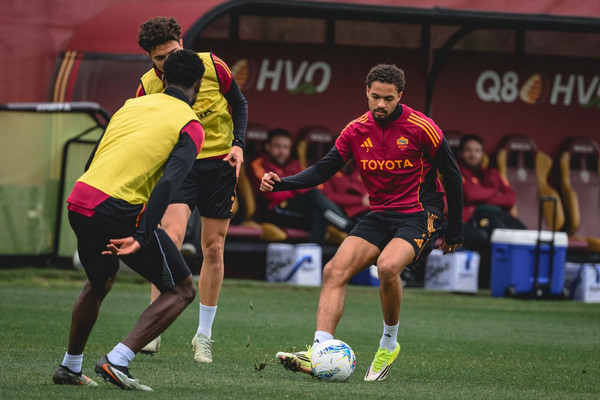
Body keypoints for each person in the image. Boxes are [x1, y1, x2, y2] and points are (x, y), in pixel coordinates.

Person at [260, 64, 463, 381]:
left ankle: (388, 344)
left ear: (400, 96)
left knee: (387, 267)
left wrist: (455, 230)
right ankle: (319, 350)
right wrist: (281, 183)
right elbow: (323, 169)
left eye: (388, 99)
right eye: (375, 96)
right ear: (367, 92)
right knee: (334, 271)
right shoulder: (355, 130)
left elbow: (452, 176)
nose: (381, 104)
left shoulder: (422, 127)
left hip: (419, 212)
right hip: (380, 214)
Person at [52, 49, 205, 391]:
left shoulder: (130, 105)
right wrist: (142, 234)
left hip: (80, 200)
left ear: (163, 78)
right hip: (117, 208)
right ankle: (117, 360)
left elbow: (93, 160)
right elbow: (169, 183)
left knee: (100, 279)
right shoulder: (191, 124)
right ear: (197, 85)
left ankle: (69, 367)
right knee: (182, 289)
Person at [136, 16, 248, 361]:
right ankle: (154, 328)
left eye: (173, 53)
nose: (168, 62)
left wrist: (238, 145)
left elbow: (240, 104)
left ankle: (204, 336)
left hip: (220, 165)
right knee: (168, 238)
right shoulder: (147, 86)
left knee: (213, 248)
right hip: (180, 166)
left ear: (182, 43)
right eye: (160, 58)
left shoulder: (213, 66)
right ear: (149, 58)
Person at [250, 128, 350, 244]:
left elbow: (307, 186)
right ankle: (349, 227)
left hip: (294, 211)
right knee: (314, 195)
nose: (282, 151)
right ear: (268, 147)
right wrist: (296, 190)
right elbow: (271, 193)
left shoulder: (294, 164)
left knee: (317, 214)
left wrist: (294, 190)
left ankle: (313, 253)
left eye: (285, 147)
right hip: (274, 211)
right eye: (277, 146)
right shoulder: (259, 163)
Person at [457, 134, 526, 287]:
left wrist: (483, 195)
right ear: (461, 153)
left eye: (477, 150)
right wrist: (495, 191)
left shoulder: (492, 174)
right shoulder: (456, 171)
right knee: (497, 234)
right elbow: (469, 194)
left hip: (499, 214)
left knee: (522, 233)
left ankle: (522, 277)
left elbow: (510, 198)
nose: (473, 154)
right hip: (474, 216)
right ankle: (500, 279)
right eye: (468, 150)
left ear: (482, 154)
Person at [322, 163, 370, 229]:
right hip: (355, 213)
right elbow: (329, 198)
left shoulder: (358, 166)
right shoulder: (327, 173)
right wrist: (360, 200)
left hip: (373, 207)